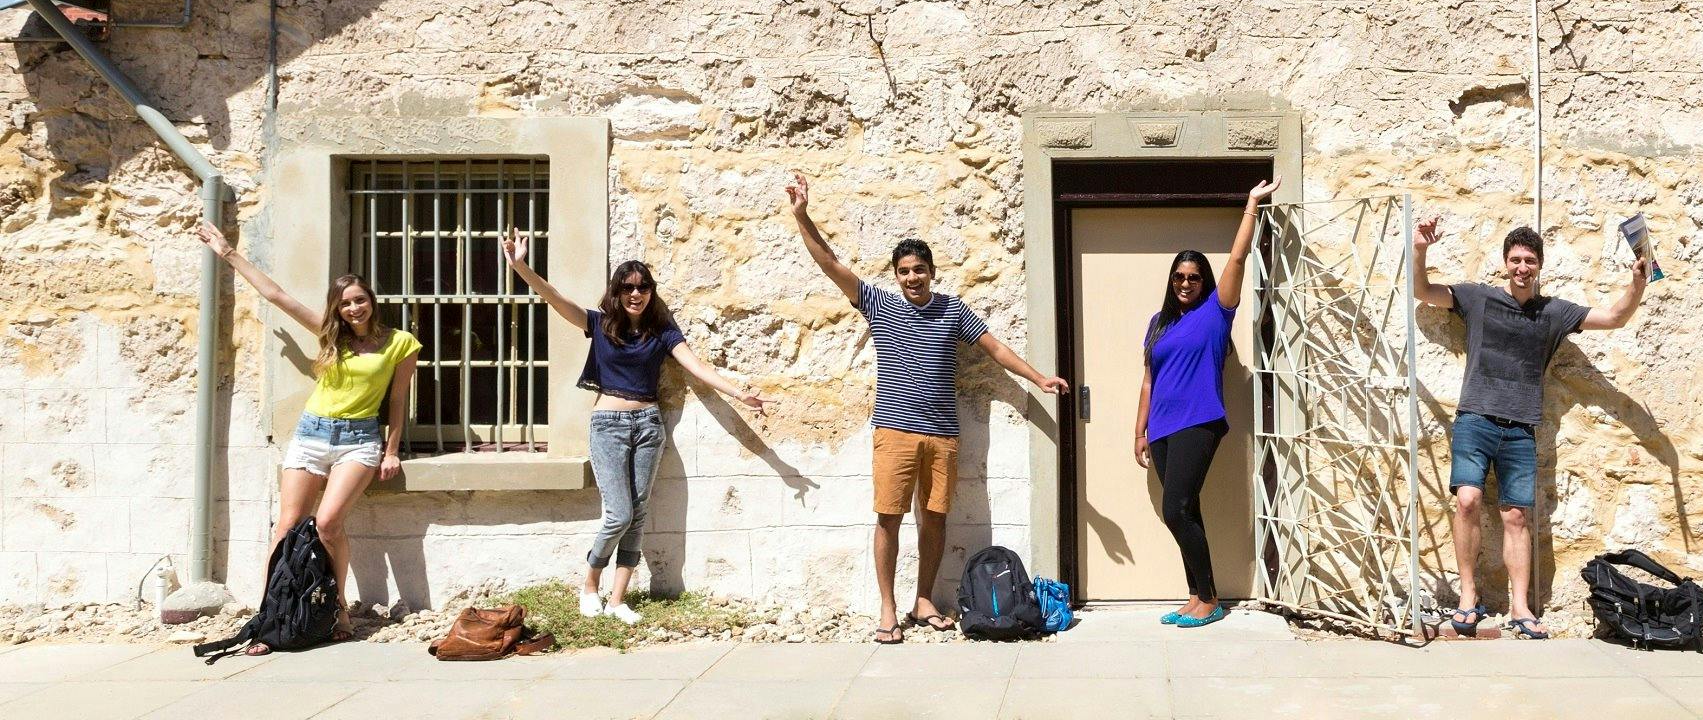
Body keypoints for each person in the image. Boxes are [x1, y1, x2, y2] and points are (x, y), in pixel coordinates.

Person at [786, 172, 1069, 643]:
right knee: (889, 519)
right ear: (896, 277)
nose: (912, 277)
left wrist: (1038, 377)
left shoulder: (953, 310)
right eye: (904, 271)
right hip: (894, 432)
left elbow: (995, 349)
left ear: (932, 272)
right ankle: (888, 608)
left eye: (919, 269)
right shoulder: (877, 303)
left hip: (943, 434)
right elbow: (830, 264)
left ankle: (923, 600)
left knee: (935, 518)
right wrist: (802, 216)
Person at [499, 232, 764, 622]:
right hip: (608, 426)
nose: (635, 294)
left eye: (642, 287)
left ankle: (619, 598)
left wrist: (740, 394)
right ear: (617, 291)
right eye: (627, 287)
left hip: (648, 425)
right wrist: (520, 267)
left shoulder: (663, 334)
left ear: (651, 292)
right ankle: (590, 584)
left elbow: (697, 368)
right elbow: (556, 300)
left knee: (638, 514)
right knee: (618, 514)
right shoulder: (600, 324)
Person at [1410, 217, 1649, 639]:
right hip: (1474, 419)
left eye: (1530, 261)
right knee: (1466, 500)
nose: (1522, 267)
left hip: (1521, 428)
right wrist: (1419, 250)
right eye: (1516, 260)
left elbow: (1613, 318)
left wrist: (1637, 284)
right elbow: (1423, 292)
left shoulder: (1554, 312)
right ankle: (1468, 599)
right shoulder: (1478, 299)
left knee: (1517, 515)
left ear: (1539, 267)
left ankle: (1521, 607)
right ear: (1505, 263)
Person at [193, 220, 418, 647]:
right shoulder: (331, 336)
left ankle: (338, 610)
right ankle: (270, 618)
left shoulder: (399, 343)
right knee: (286, 527)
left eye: (360, 300)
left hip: (359, 441)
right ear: (336, 309)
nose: (354, 309)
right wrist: (227, 252)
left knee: (329, 523)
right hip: (312, 435)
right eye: (346, 304)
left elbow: (396, 401)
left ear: (372, 300)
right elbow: (277, 295)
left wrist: (391, 450)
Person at [1134, 179, 1274, 629]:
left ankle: (1210, 599)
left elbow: (1237, 257)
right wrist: (1139, 431)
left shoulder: (1218, 310)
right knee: (1184, 509)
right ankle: (1195, 595)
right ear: (1171, 280)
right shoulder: (1159, 322)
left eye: (1194, 277)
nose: (1186, 283)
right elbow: (1148, 380)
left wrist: (1250, 205)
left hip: (1200, 421)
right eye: (1179, 276)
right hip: (1161, 429)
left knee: (1176, 508)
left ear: (1205, 281)